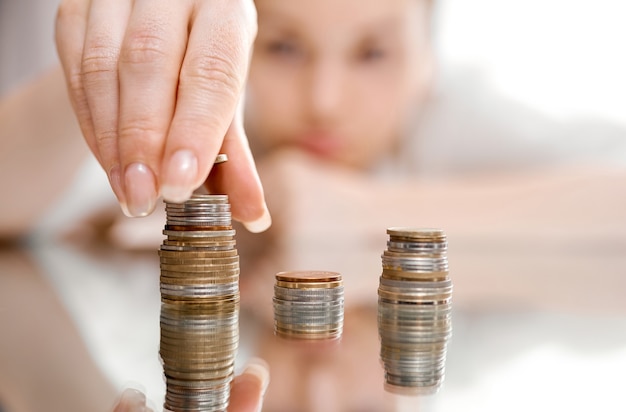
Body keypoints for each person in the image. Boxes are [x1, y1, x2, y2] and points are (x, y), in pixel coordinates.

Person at [2, 0, 626, 410]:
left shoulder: (449, 120)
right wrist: (100, 73)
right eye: (284, 48)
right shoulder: (206, 118)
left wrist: (366, 209)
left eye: (373, 52)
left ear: (428, 60)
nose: (325, 101)